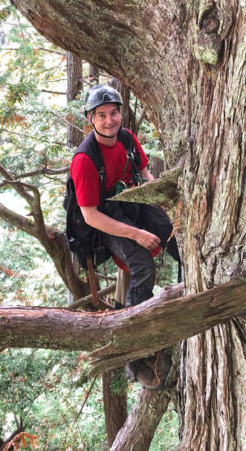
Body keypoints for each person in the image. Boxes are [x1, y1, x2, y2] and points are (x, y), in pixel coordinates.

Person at [70, 83, 180, 389]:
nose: (110, 120)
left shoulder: (128, 139)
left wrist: (166, 202)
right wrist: (138, 234)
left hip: (135, 202)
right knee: (143, 266)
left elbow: (144, 177)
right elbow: (91, 215)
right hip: (108, 221)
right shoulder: (85, 160)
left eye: (114, 113)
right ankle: (137, 354)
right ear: (90, 120)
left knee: (180, 243)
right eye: (101, 115)